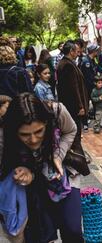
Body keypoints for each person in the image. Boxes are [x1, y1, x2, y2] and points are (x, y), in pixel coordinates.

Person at [0, 93, 82, 242]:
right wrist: (23, 171)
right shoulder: (5, 131)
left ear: (46, 122)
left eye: (39, 131)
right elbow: (6, 163)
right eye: (24, 134)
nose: (33, 139)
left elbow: (71, 130)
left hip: (64, 179)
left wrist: (58, 155)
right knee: (38, 235)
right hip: (32, 188)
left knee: (73, 229)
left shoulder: (57, 111)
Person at [56, 40, 89, 144]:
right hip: (72, 106)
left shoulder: (66, 63)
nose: (78, 53)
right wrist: (80, 106)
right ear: (71, 51)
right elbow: (73, 88)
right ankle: (76, 154)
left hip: (69, 104)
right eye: (76, 51)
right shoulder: (67, 65)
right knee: (75, 131)